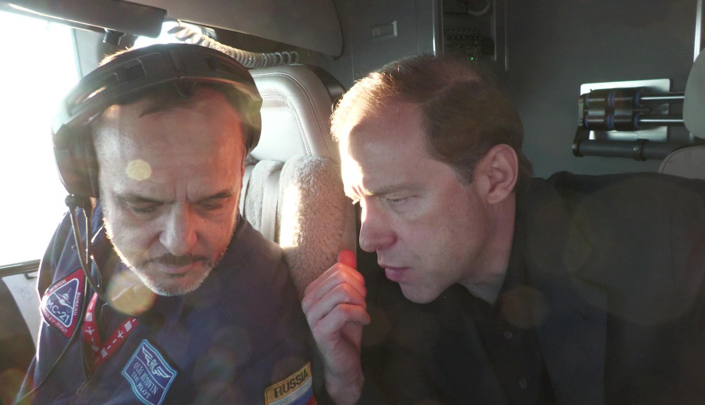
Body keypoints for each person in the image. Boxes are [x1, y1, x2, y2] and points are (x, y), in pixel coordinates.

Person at [302, 54, 705, 405]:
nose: (368, 238)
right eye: (359, 202)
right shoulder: (374, 305)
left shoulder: (671, 235)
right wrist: (347, 383)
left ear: (495, 177)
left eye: (398, 198)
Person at [17, 43, 319, 404]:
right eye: (143, 206)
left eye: (212, 202)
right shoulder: (75, 232)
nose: (180, 242)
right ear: (91, 183)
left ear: (241, 171)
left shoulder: (259, 322)